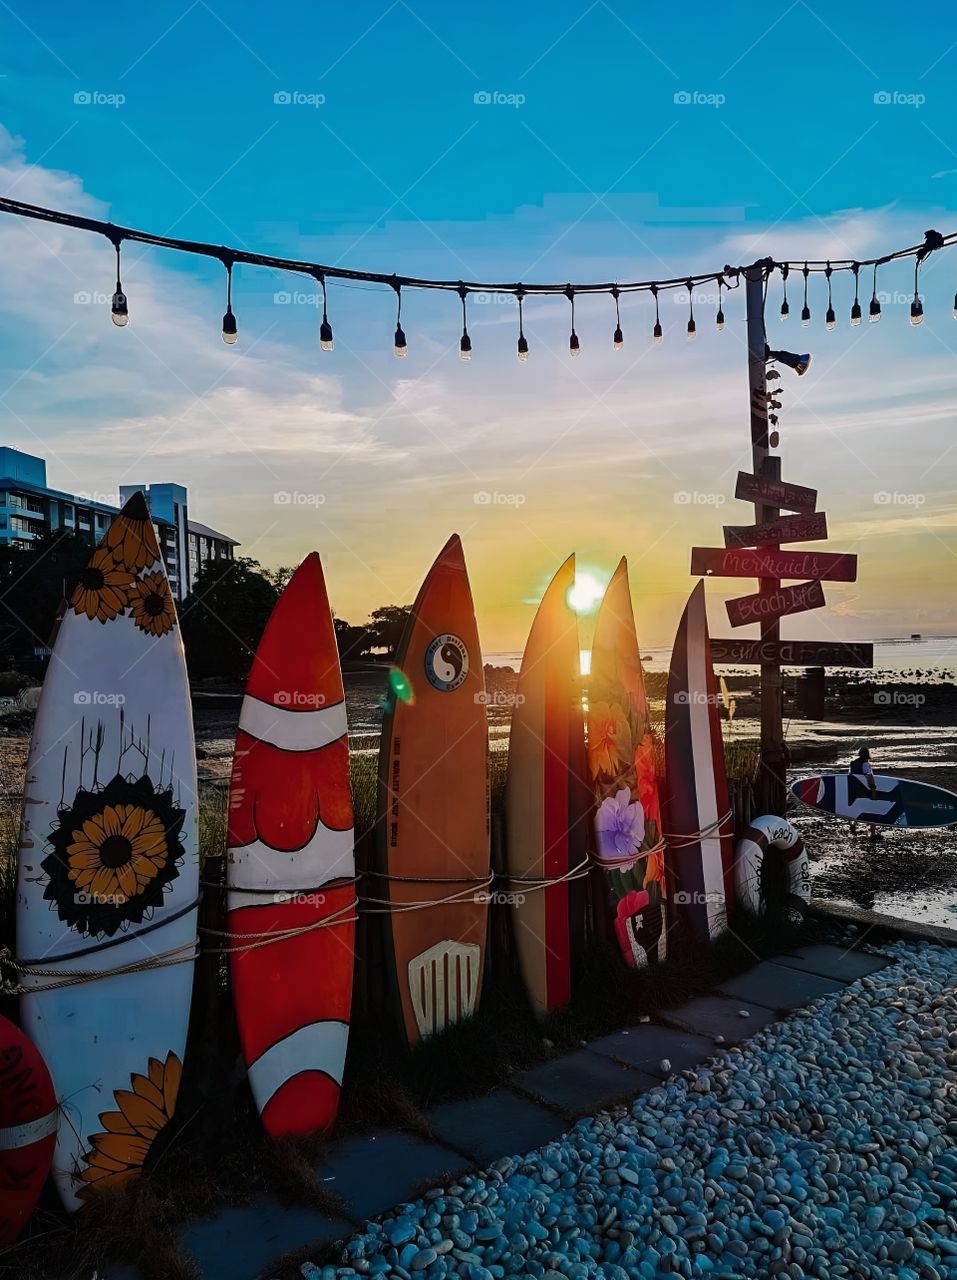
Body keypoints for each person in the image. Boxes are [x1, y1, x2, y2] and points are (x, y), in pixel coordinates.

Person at [849, 747, 879, 841]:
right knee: (873, 809)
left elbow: (850, 775)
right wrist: (873, 788)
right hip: (865, 790)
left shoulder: (853, 763)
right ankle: (872, 833)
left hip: (855, 790)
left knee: (860, 807)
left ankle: (854, 825)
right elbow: (869, 776)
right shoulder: (865, 764)